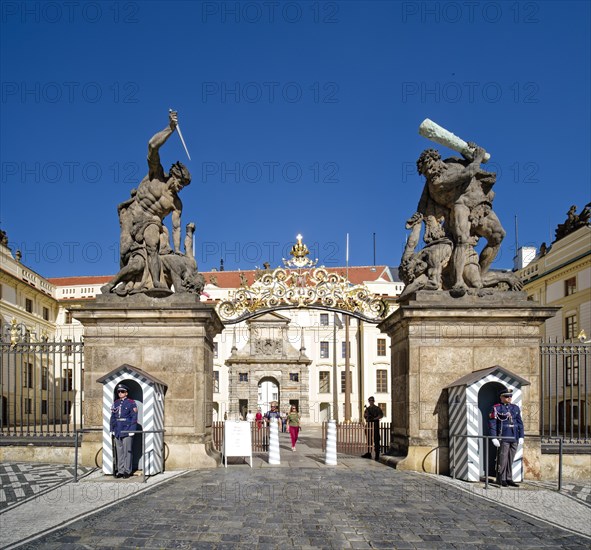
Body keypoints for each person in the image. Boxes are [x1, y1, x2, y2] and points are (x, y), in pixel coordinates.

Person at [101, 110, 192, 295]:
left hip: (153, 221)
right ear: (173, 175)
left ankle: (156, 282)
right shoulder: (155, 175)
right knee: (125, 252)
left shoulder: (176, 203)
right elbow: (152, 146)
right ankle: (121, 283)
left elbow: (176, 228)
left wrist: (176, 250)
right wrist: (171, 128)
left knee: (153, 244)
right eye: (180, 183)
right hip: (133, 214)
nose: (180, 187)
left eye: (183, 185)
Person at [414, 145, 506, 294]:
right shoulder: (437, 182)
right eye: (425, 172)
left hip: (479, 204)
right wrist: (478, 157)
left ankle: (481, 276)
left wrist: (470, 150)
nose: (429, 173)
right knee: (462, 240)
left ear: (437, 160)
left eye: (430, 167)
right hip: (460, 206)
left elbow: (469, 163)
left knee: (498, 236)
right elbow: (468, 172)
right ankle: (458, 281)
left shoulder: (452, 162)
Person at [488, 388, 524, 487]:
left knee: (510, 459)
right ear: (501, 397)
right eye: (506, 396)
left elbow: (520, 423)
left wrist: (521, 436)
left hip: (514, 436)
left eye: (510, 396)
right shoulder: (497, 408)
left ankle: (509, 478)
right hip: (503, 436)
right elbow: (493, 424)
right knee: (502, 459)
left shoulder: (515, 408)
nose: (509, 398)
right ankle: (501, 479)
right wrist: (494, 437)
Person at [109, 384, 138, 478]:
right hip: (118, 429)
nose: (120, 393)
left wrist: (132, 429)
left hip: (127, 428)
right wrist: (112, 429)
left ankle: (127, 470)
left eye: (122, 392)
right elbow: (113, 417)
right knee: (119, 451)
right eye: (119, 392)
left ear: (126, 393)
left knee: (127, 451)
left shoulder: (131, 402)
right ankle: (120, 470)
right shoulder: (116, 403)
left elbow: (134, 416)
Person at [362, 396, 384, 460]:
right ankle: (369, 453)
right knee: (369, 439)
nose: (371, 402)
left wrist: (375, 418)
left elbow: (380, 415)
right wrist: (367, 416)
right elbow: (365, 416)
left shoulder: (377, 408)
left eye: (372, 400)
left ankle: (377, 454)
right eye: (370, 400)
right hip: (369, 425)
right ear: (369, 401)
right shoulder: (367, 409)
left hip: (375, 425)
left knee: (376, 439)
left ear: (373, 401)